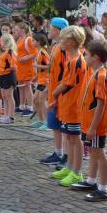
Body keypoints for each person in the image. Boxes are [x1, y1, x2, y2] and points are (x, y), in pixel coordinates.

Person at [70, 40, 107, 201]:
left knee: (99, 153)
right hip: (89, 122)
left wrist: (93, 127)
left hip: (96, 125)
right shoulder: (95, 72)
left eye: (86, 54)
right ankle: (91, 180)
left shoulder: (101, 75)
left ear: (95, 57)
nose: (84, 56)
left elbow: (101, 104)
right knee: (94, 152)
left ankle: (103, 188)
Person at [51, 25, 87, 187]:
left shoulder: (76, 61)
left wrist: (54, 94)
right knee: (69, 137)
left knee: (75, 139)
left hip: (74, 106)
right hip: (67, 104)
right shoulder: (71, 59)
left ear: (71, 42)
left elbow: (67, 83)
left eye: (63, 39)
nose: (60, 42)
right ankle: (70, 167)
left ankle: (77, 172)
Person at [39, 17, 69, 166]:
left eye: (50, 28)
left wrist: (58, 91)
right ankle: (58, 152)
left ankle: (66, 155)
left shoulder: (64, 48)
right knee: (55, 125)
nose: (48, 30)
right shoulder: (56, 46)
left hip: (60, 92)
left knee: (63, 127)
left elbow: (66, 72)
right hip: (53, 90)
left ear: (57, 30)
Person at [14, 22, 37, 117]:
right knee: (21, 86)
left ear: (23, 30)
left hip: (27, 67)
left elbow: (35, 52)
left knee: (27, 86)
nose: (15, 31)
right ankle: (22, 105)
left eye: (16, 29)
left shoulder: (28, 39)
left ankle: (30, 107)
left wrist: (26, 58)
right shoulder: (19, 40)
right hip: (20, 67)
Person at [0, 33, 17, 124]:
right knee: (4, 96)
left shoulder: (10, 51)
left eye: (2, 40)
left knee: (9, 96)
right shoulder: (1, 51)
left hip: (8, 76)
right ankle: (6, 115)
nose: (0, 42)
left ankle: (11, 116)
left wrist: (5, 70)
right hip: (2, 76)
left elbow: (13, 66)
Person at [32, 33, 50, 128]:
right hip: (40, 80)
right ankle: (41, 120)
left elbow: (49, 66)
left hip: (45, 80)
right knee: (35, 100)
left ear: (38, 42)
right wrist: (36, 77)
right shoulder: (39, 52)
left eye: (33, 40)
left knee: (41, 101)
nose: (32, 42)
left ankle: (47, 122)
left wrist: (37, 66)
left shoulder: (43, 52)